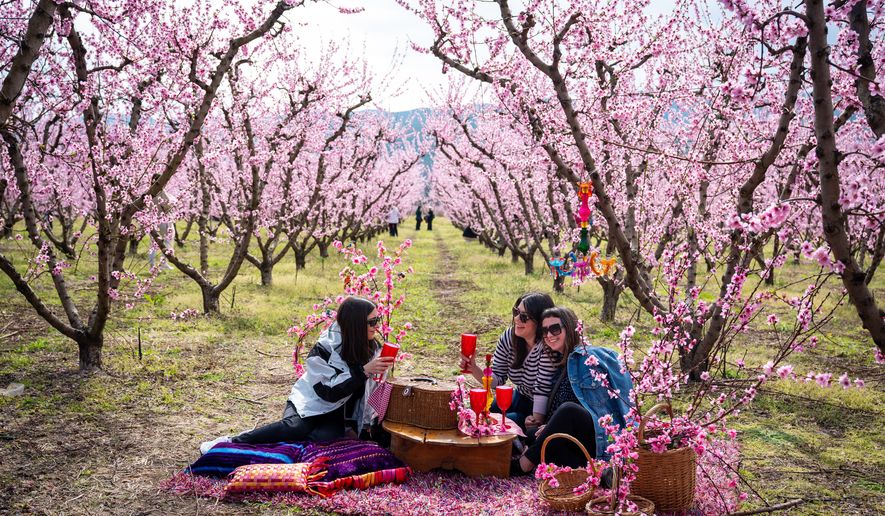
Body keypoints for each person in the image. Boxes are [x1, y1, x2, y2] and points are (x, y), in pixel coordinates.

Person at [200, 297, 394, 452]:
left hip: (337, 411)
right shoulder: (325, 348)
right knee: (295, 428)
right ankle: (232, 442)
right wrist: (364, 370)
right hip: (313, 399)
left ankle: (276, 448)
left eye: (377, 320)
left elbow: (369, 392)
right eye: (372, 321)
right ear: (355, 324)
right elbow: (327, 392)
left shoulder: (372, 347)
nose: (377, 326)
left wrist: (367, 423)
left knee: (322, 440)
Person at [512, 306, 633, 474]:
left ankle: (524, 465)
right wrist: (547, 426)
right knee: (533, 434)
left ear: (569, 328)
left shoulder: (584, 359)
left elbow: (594, 408)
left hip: (597, 438)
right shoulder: (562, 362)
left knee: (568, 410)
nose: (549, 335)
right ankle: (593, 471)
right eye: (544, 331)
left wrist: (551, 425)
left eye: (555, 329)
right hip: (575, 440)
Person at [459, 292, 558, 431]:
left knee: (506, 422)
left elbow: (542, 390)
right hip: (519, 395)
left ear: (540, 321)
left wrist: (536, 421)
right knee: (487, 413)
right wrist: (473, 368)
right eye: (516, 312)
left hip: (541, 406)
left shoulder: (547, 346)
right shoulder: (509, 337)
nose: (517, 319)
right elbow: (497, 379)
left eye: (524, 316)